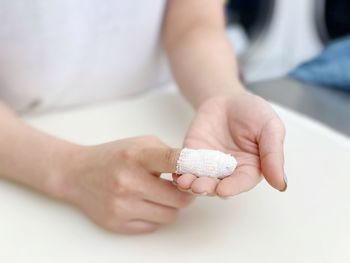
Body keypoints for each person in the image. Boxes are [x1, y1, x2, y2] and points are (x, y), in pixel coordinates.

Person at [0, 0, 286, 234]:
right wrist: (71, 171)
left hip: (159, 106)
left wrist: (223, 94)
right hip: (22, 138)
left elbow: (195, 21)